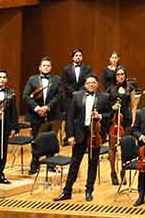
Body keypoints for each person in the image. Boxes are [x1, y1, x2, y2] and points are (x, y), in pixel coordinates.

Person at [55, 73, 111, 201]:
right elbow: (70, 117)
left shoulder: (105, 97)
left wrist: (100, 116)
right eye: (88, 83)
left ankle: (89, 191)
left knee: (93, 162)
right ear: (85, 85)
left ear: (97, 84)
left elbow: (109, 114)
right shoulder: (76, 96)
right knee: (75, 162)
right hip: (80, 133)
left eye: (94, 83)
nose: (91, 85)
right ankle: (67, 191)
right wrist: (69, 135)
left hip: (95, 133)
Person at [22, 57, 61, 175]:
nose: (46, 67)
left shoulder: (57, 79)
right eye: (44, 65)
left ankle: (51, 164)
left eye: (48, 66)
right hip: (35, 115)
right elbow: (26, 96)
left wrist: (47, 107)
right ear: (40, 67)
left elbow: (58, 96)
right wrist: (37, 108)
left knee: (50, 140)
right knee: (36, 140)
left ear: (51, 67)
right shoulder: (32, 79)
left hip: (52, 115)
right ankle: (34, 164)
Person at [107, 65, 137, 185]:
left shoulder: (130, 88)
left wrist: (134, 121)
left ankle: (123, 172)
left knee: (124, 147)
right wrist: (112, 107)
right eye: (118, 74)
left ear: (125, 76)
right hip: (114, 120)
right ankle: (113, 172)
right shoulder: (110, 89)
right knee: (112, 147)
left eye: (122, 74)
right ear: (115, 76)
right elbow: (105, 104)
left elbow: (134, 106)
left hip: (126, 120)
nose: (120, 77)